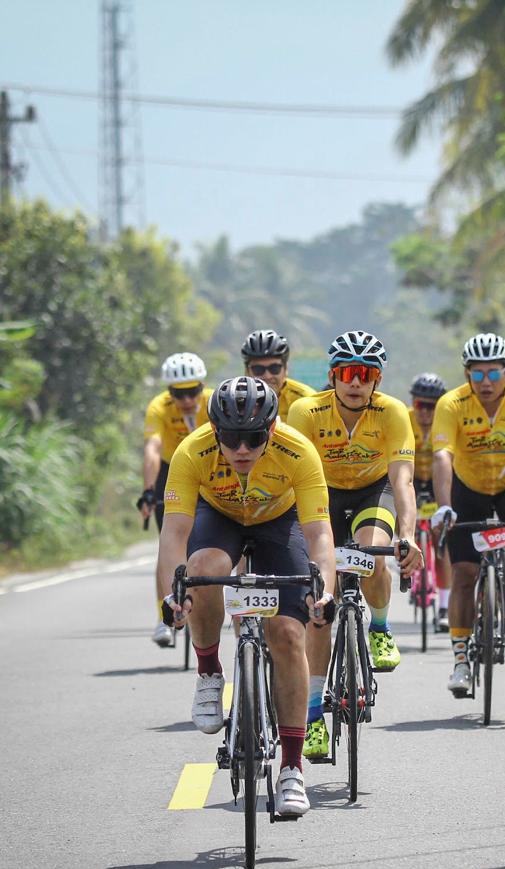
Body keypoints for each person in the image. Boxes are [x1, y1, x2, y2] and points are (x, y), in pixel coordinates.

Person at [157, 376, 336, 817]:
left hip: (279, 522)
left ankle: (292, 768)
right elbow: (173, 537)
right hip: (220, 518)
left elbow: (319, 534)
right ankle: (208, 674)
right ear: (215, 432)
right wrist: (169, 597)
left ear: (271, 431)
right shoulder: (191, 451)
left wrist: (326, 590)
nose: (242, 449)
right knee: (201, 571)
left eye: (253, 439)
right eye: (232, 439)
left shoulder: (298, 451)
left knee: (289, 635)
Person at [287, 330, 421, 760]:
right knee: (318, 608)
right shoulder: (306, 411)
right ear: (333, 376)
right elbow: (290, 477)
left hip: (371, 493)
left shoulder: (393, 412)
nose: (355, 382)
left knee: (368, 554)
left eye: (365, 374)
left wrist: (409, 536)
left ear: (377, 379)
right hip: (320, 496)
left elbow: (402, 480)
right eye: (347, 373)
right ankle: (311, 718)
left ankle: (379, 628)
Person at [430, 333, 505, 697]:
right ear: (467, 375)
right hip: (467, 491)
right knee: (464, 574)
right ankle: (461, 662)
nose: (485, 383)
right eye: (477, 375)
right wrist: (444, 505)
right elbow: (441, 457)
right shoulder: (451, 404)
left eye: (493, 374)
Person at [138, 352, 212, 648]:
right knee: (167, 543)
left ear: (202, 387)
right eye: (178, 393)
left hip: (209, 468)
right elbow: (153, 449)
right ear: (169, 392)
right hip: (171, 469)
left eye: (193, 391)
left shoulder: (213, 401)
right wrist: (147, 490)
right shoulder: (159, 407)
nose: (187, 400)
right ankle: (162, 616)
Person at [408, 372, 452, 630]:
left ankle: (444, 605)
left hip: (438, 485)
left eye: (432, 406)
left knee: (441, 539)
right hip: (412, 483)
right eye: (419, 405)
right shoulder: (404, 420)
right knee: (407, 530)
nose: (425, 412)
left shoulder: (447, 424)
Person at [240, 328, 315, 419]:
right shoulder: (234, 401)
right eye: (258, 369)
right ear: (247, 371)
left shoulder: (307, 400)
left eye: (274, 368)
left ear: (286, 368)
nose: (267, 376)